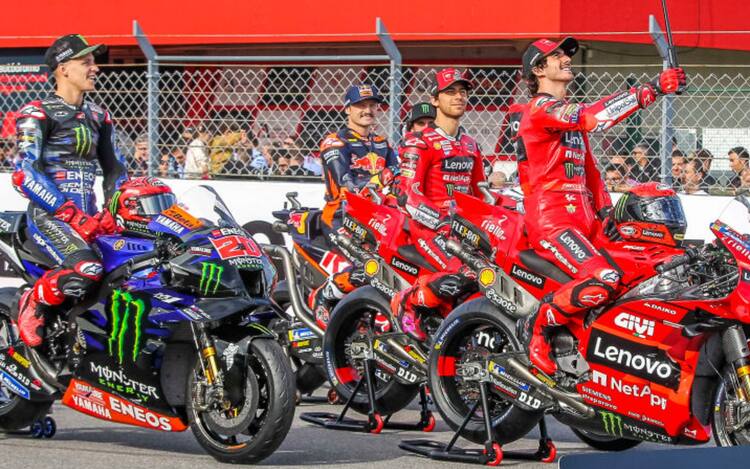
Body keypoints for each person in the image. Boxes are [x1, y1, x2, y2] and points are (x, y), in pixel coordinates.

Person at [513, 37, 685, 375]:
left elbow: (591, 172)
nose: (566, 59)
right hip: (553, 223)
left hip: (587, 221)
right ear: (538, 69)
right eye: (557, 55)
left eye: (566, 54)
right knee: (604, 277)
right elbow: (593, 118)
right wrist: (651, 89)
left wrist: (607, 214)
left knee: (645, 270)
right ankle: (538, 326)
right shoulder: (539, 108)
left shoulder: (566, 117)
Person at [13, 34, 129, 347]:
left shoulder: (99, 116)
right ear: (63, 69)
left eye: (94, 62)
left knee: (130, 268)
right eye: (86, 62)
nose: (95, 68)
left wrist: (113, 209)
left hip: (89, 217)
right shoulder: (37, 113)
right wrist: (69, 213)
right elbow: (24, 174)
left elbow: (116, 170)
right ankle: (33, 302)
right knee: (87, 269)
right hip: (49, 217)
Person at [390, 68, 486, 341]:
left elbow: (480, 194)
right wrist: (443, 222)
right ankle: (408, 300)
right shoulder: (418, 142)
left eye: (462, 92)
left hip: (463, 228)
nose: (458, 97)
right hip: (428, 229)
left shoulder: (470, 144)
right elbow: (407, 195)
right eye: (450, 92)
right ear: (434, 100)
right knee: (469, 273)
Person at [310, 84, 399, 326]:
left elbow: (400, 175)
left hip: (377, 216)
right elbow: (345, 184)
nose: (367, 110)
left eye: (372, 105)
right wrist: (381, 178)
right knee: (369, 267)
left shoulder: (382, 143)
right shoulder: (334, 142)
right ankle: (324, 294)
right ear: (348, 109)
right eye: (361, 105)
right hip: (341, 216)